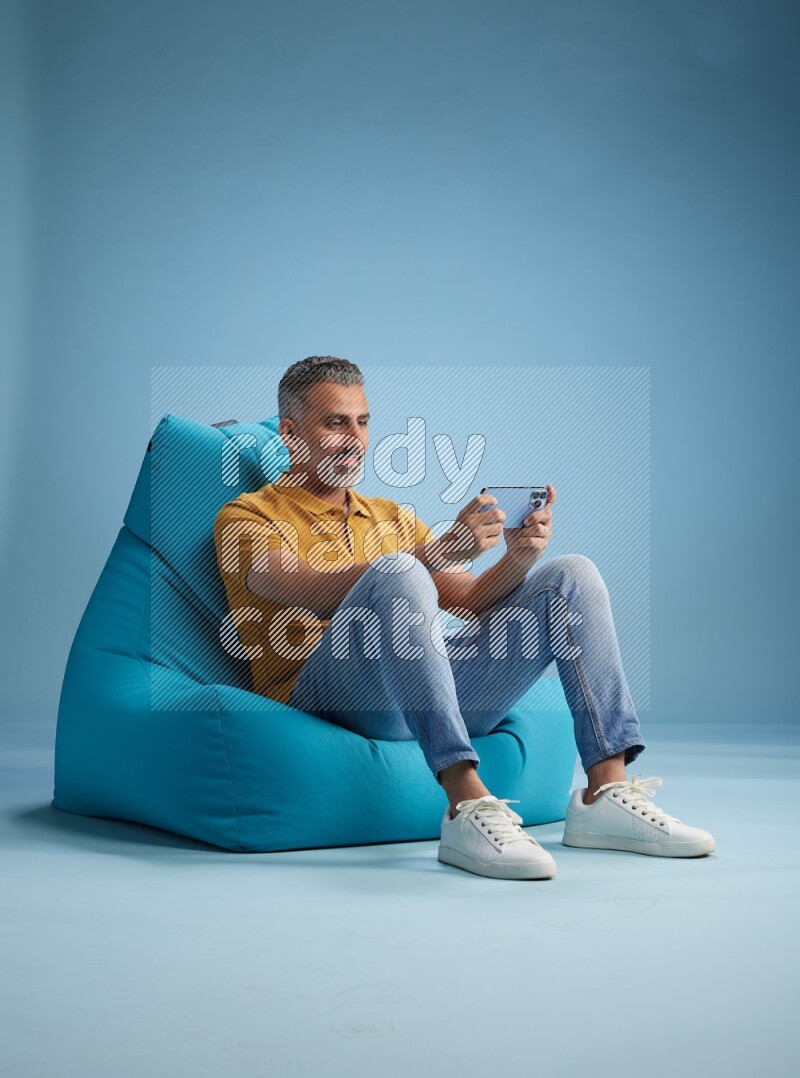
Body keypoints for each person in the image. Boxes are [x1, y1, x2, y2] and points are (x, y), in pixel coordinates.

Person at [214, 356, 715, 880]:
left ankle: (605, 792)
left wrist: (517, 559)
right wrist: (432, 555)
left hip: (419, 691)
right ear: (290, 434)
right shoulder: (247, 516)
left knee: (571, 575)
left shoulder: (390, 517)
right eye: (335, 423)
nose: (355, 439)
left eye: (362, 422)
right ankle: (465, 804)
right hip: (329, 696)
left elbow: (471, 601)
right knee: (400, 569)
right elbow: (306, 590)